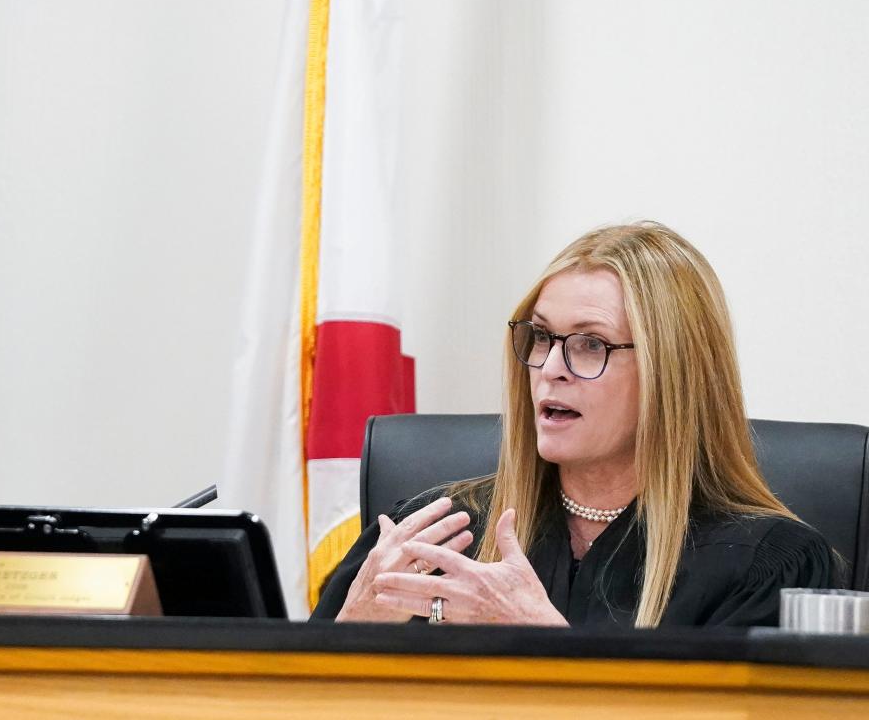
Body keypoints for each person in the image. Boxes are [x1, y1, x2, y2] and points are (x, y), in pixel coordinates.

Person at [311, 222, 840, 628]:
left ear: (672, 372)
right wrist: (348, 630)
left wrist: (543, 643)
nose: (550, 368)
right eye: (541, 338)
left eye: (591, 344)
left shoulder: (768, 566)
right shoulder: (437, 532)